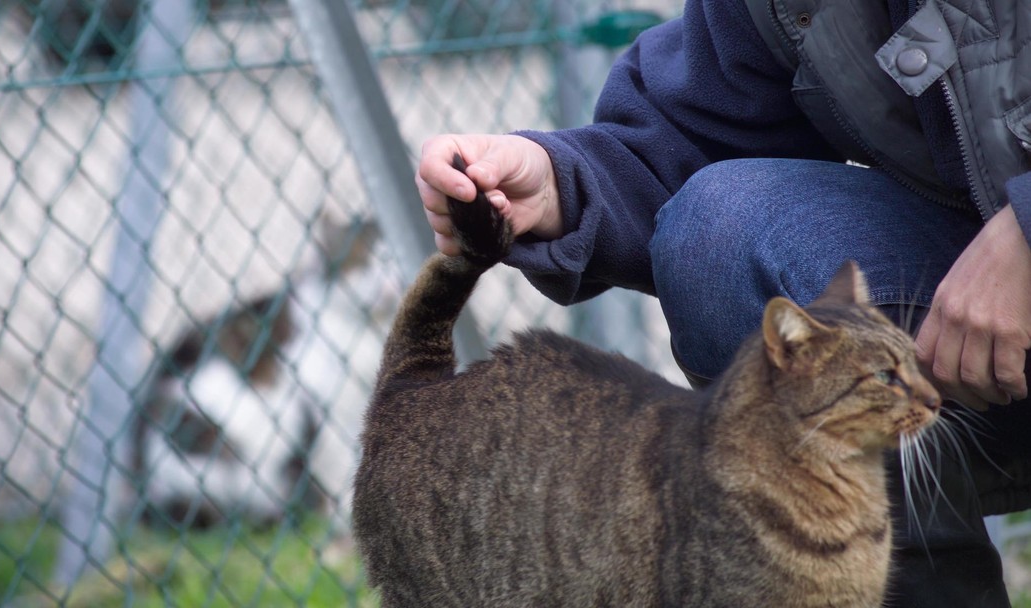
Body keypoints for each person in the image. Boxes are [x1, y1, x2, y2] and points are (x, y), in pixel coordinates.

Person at [415, 0, 1031, 606]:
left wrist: (1024, 232)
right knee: (721, 223)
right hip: (980, 354)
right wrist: (558, 180)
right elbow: (700, 128)